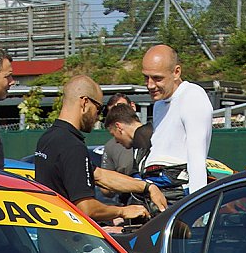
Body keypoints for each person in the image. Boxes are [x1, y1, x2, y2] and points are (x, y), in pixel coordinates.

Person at [31, 75, 164, 226]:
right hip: (68, 235)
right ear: (85, 102)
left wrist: (147, 187)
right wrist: (123, 211)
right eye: (99, 108)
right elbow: (87, 208)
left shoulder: (48, 138)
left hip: (49, 231)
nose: (98, 117)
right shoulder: (72, 145)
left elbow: (99, 175)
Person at [141, 43, 212, 195]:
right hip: (155, 185)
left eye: (157, 78)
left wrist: (197, 204)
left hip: (178, 190)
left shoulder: (192, 96)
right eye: (146, 77)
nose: (150, 85)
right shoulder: (159, 104)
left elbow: (197, 158)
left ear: (176, 72)